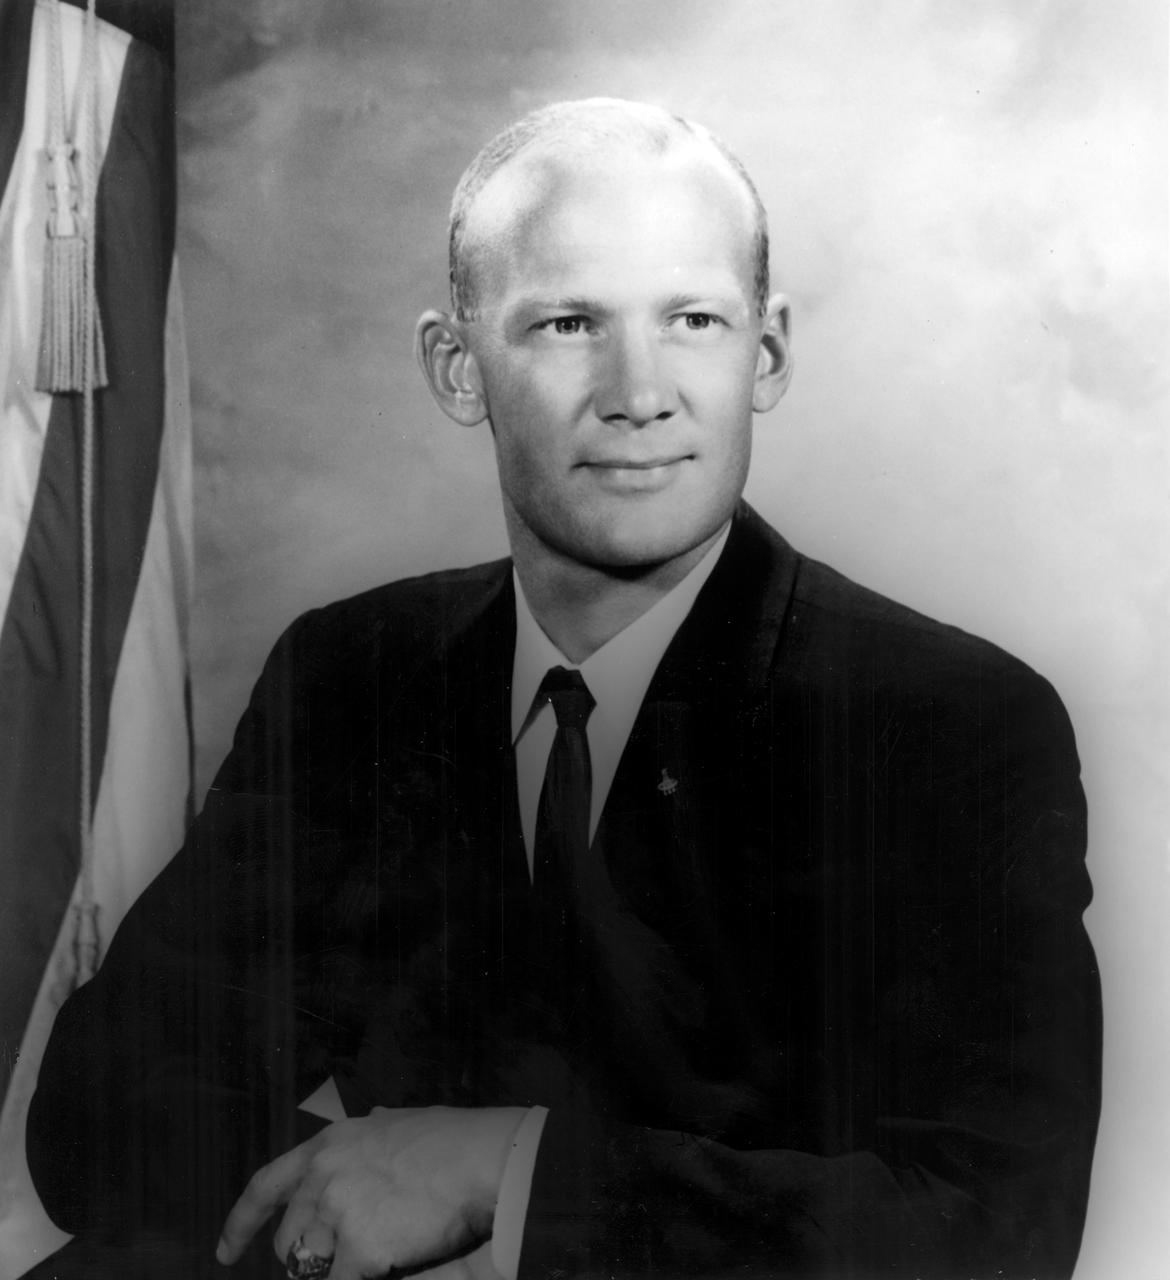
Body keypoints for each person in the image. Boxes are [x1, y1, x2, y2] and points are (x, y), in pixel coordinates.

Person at [26, 98, 1101, 1280]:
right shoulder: (356, 676)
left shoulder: (946, 725)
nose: (638, 391)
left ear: (769, 351)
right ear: (457, 365)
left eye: (693, 318)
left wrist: (502, 1179)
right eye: (568, 322)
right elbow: (102, 1097)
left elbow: (996, 1228)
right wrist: (354, 1198)